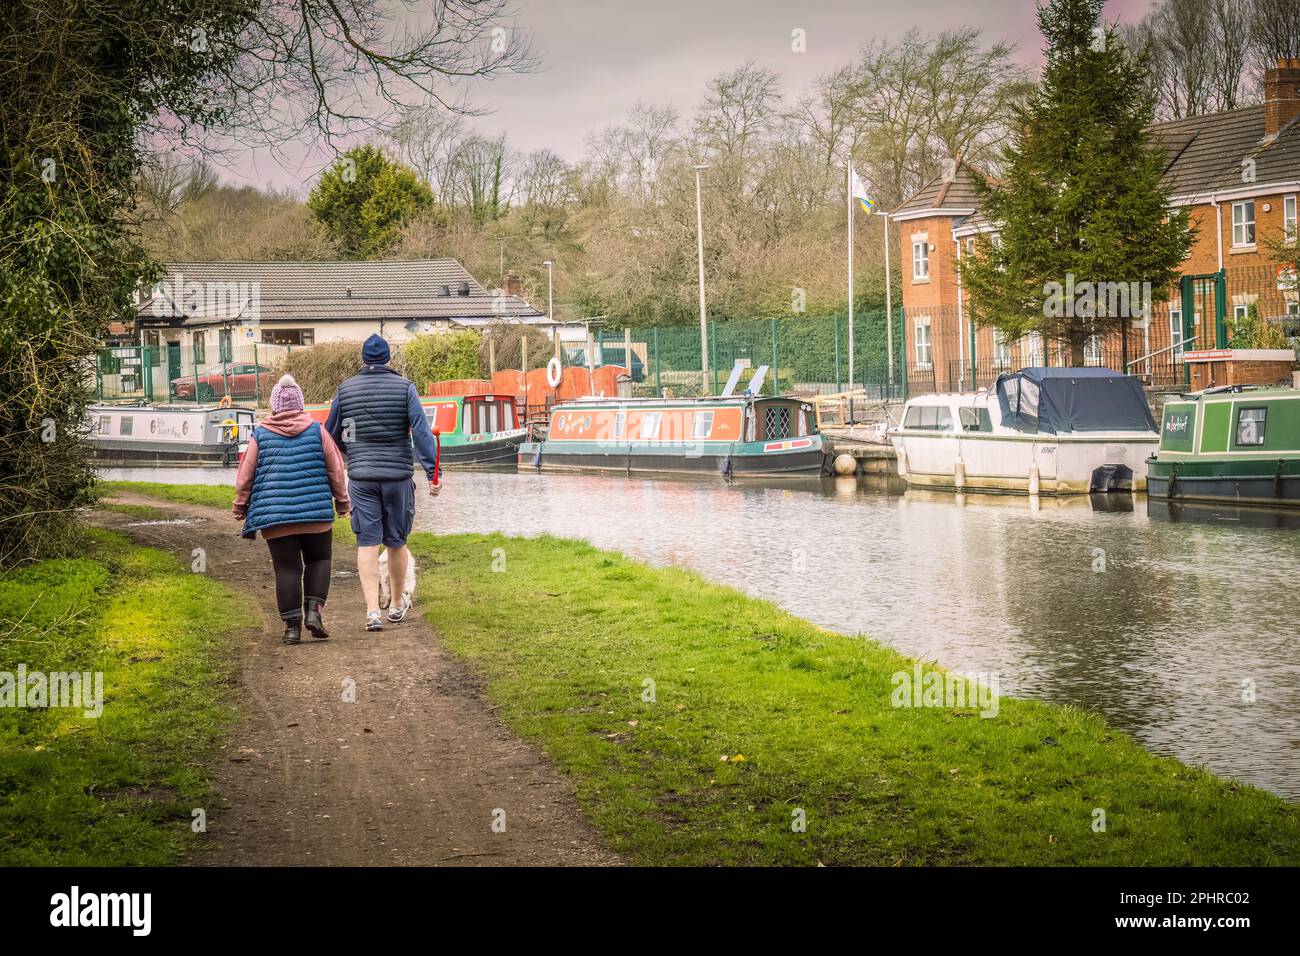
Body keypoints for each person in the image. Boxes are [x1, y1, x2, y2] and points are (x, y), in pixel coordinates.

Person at [325, 334, 441, 633]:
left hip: (361, 477)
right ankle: (397, 604)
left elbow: (331, 434)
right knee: (397, 541)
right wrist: (432, 473)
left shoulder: (345, 390)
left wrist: (352, 451)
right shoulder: (405, 388)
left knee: (366, 542)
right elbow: (421, 432)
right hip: (397, 477)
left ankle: (372, 610)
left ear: (363, 359)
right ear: (388, 359)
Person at [233, 374, 350, 645]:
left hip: (276, 519)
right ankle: (314, 613)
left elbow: (245, 477)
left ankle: (292, 629)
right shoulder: (317, 430)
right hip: (315, 516)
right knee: (319, 561)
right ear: (301, 404)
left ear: (274, 406)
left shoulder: (259, 435)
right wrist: (342, 502)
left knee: (287, 569)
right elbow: (336, 470)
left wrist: (240, 507)